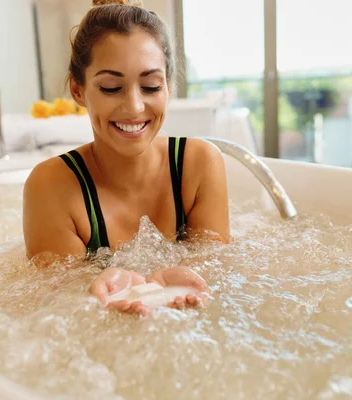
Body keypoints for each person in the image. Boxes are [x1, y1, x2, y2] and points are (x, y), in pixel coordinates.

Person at [22, 0, 229, 316]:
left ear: (168, 87)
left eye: (150, 86)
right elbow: (57, 307)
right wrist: (90, 288)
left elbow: (219, 269)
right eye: (111, 87)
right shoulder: (53, 186)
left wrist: (192, 276)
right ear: (78, 91)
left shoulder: (198, 165)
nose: (134, 107)